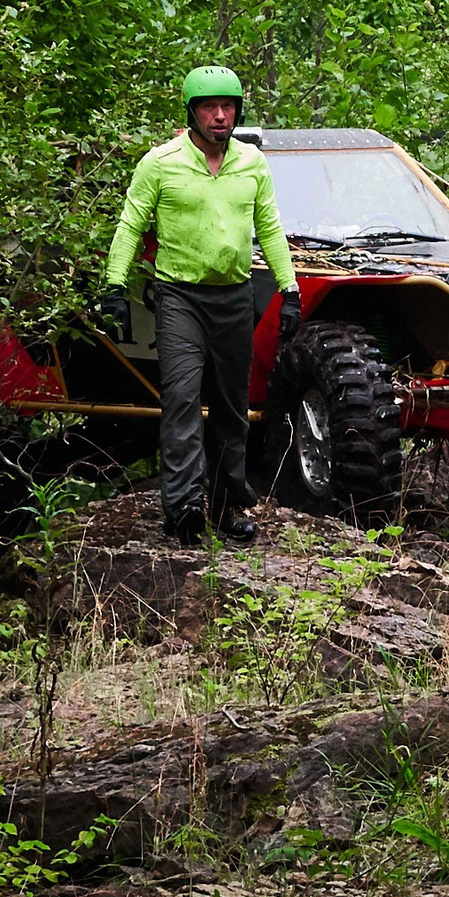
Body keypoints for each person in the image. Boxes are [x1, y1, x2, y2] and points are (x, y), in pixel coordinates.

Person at [101, 66, 303, 545]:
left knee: (232, 408)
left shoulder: (251, 163)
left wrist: (289, 290)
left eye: (227, 106)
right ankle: (184, 507)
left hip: (234, 296)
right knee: (182, 400)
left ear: (238, 111)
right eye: (209, 107)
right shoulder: (161, 162)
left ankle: (227, 505)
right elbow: (131, 224)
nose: (219, 116)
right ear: (192, 112)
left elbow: (269, 227)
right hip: (180, 298)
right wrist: (114, 286)